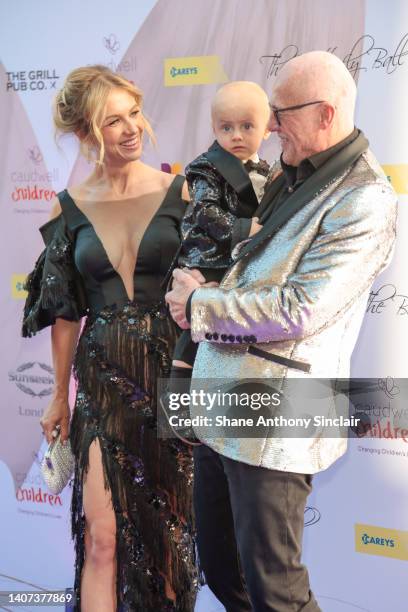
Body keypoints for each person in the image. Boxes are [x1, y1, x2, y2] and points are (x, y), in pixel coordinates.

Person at [165, 50, 397, 611]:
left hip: (275, 418)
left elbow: (300, 307)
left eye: (280, 112)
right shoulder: (292, 173)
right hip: (223, 406)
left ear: (326, 113)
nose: (268, 125)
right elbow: (253, 265)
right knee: (223, 571)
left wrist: (201, 301)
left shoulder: (364, 198)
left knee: (277, 590)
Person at [22, 65, 197, 612]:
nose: (129, 130)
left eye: (134, 114)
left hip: (173, 381)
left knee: (168, 540)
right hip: (102, 388)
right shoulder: (66, 209)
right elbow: (65, 313)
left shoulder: (183, 191)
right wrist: (57, 396)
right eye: (111, 121)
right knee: (101, 537)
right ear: (83, 134)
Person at [167, 81, 270, 441]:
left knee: (224, 326)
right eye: (226, 128)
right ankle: (179, 389)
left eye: (247, 126)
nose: (237, 136)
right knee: (194, 321)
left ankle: (218, 400)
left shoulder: (271, 171)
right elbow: (205, 211)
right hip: (208, 256)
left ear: (268, 126)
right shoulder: (205, 168)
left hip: (240, 264)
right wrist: (246, 227)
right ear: (214, 129)